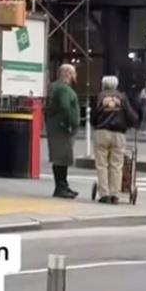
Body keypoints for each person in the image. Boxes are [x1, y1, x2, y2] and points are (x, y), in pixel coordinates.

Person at [91, 75, 138, 204]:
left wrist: (96, 124)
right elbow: (131, 115)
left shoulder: (98, 97)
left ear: (103, 85)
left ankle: (104, 194)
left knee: (102, 165)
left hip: (101, 132)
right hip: (119, 134)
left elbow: (93, 117)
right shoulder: (122, 98)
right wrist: (132, 124)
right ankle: (114, 194)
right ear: (116, 85)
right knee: (116, 165)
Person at [45, 64, 80, 199]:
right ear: (68, 74)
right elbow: (65, 107)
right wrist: (69, 123)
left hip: (57, 126)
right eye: (74, 73)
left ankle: (63, 185)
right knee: (61, 157)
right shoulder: (63, 89)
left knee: (62, 158)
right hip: (62, 128)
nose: (75, 76)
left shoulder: (57, 87)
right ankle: (60, 187)